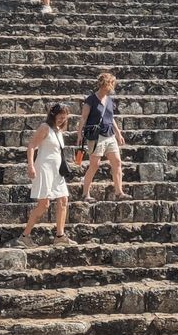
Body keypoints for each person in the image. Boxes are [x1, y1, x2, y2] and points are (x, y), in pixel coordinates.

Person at [19, 103, 73, 244]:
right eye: (60, 117)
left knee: (63, 200)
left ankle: (60, 236)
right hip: (44, 168)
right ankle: (25, 236)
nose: (62, 120)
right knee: (44, 205)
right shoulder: (45, 128)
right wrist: (31, 166)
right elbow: (31, 146)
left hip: (56, 171)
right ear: (53, 115)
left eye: (64, 118)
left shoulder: (58, 131)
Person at [76, 71, 127, 203]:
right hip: (96, 136)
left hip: (109, 135)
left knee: (117, 162)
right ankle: (85, 193)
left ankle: (119, 192)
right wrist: (79, 135)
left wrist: (118, 133)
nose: (112, 87)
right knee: (95, 165)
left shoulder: (109, 100)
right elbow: (83, 118)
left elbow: (111, 118)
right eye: (111, 84)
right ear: (105, 85)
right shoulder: (91, 100)